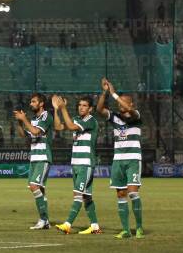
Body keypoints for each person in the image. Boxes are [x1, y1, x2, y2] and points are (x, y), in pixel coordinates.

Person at [96, 78, 145, 239]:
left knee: (132, 194)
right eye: (119, 102)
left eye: (124, 102)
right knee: (120, 195)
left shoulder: (136, 115)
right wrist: (105, 92)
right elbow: (99, 109)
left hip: (133, 159)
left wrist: (114, 94)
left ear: (131, 104)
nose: (120, 104)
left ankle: (139, 227)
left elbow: (127, 109)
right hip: (118, 160)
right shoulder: (115, 117)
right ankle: (126, 230)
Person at [52, 95, 102, 235]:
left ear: (90, 109)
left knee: (78, 194)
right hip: (76, 163)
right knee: (86, 196)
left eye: (85, 105)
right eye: (80, 104)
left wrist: (63, 108)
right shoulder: (77, 119)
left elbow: (71, 126)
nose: (81, 107)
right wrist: (57, 110)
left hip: (86, 163)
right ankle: (95, 226)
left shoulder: (91, 121)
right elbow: (58, 126)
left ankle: (67, 225)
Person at [13, 93, 52, 230]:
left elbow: (35, 132)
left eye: (34, 101)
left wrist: (24, 119)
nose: (31, 104)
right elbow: (24, 135)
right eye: (31, 101)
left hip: (43, 157)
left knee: (34, 186)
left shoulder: (46, 116)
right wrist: (19, 121)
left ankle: (43, 219)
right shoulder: (34, 118)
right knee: (38, 188)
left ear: (41, 103)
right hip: (34, 157)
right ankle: (45, 221)